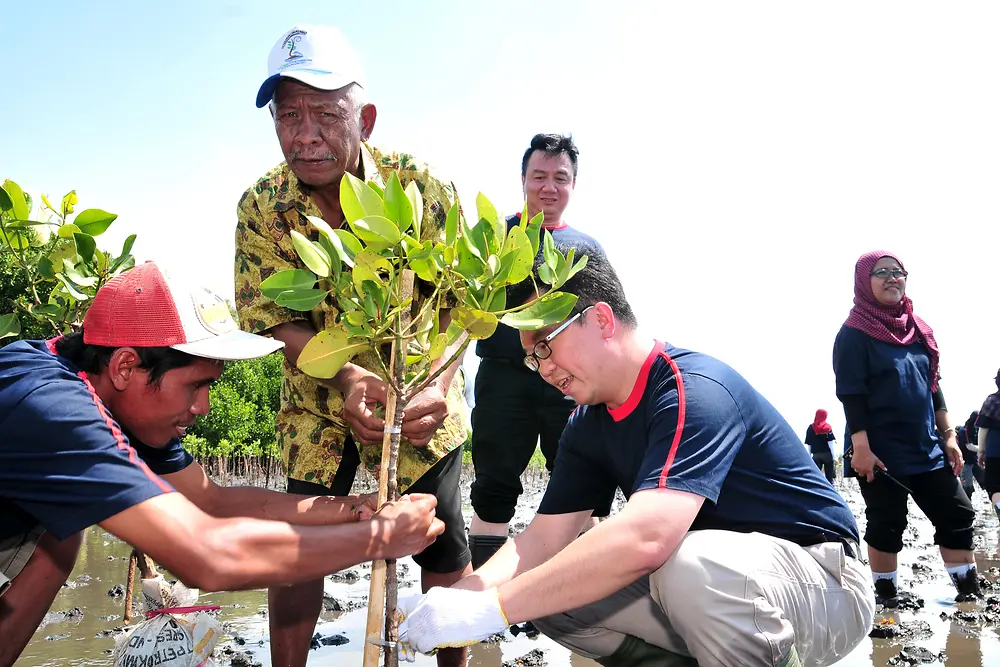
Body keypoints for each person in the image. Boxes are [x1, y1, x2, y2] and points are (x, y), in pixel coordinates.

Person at [397, 249, 874, 667]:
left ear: (601, 319)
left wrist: (493, 611)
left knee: (685, 565)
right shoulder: (587, 422)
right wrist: (459, 598)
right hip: (717, 588)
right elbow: (540, 541)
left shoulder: (694, 390)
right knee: (550, 592)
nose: (543, 370)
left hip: (825, 583)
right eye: (531, 359)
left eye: (544, 346)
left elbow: (648, 537)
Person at [0, 263, 444, 667]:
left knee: (58, 538)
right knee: (60, 539)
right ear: (125, 366)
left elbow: (213, 501)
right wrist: (380, 537)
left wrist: (354, 508)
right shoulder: (52, 408)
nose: (205, 407)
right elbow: (207, 556)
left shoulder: (104, 390)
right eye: (196, 385)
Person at [235, 24, 470, 667]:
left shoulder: (418, 187)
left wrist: (439, 387)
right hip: (316, 398)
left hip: (419, 387)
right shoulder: (262, 205)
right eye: (287, 115)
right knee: (296, 550)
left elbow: (460, 306)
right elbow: (264, 314)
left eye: (322, 114)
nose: (302, 134)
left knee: (443, 544)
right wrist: (343, 377)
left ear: (363, 117)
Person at [468, 133, 604, 568]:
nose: (549, 187)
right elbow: (462, 308)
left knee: (586, 489)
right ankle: (484, 606)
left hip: (569, 383)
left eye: (559, 178)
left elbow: (608, 325)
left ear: (573, 185)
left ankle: (583, 602)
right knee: (492, 489)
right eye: (539, 176)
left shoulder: (586, 249)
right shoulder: (495, 236)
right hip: (504, 379)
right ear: (523, 180)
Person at [832, 250, 978, 604]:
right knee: (887, 522)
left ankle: (968, 591)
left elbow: (933, 387)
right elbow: (852, 395)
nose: (892, 278)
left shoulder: (918, 330)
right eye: (882, 272)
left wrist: (949, 438)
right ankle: (886, 595)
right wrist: (861, 449)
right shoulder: (853, 334)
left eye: (898, 272)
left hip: (925, 446)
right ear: (865, 282)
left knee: (957, 513)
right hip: (879, 452)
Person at [976, 374, 1000, 523]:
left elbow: (983, 428)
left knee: (995, 487)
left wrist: (981, 451)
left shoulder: (993, 400)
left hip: (995, 449)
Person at [804, 409, 837, 483]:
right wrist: (834, 457)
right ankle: (830, 491)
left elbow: (809, 444)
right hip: (827, 455)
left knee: (816, 478)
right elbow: (831, 443)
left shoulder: (810, 428)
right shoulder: (827, 427)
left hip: (816, 455)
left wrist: (809, 457)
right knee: (829, 478)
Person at [957, 411, 983, 500]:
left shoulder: (976, 429)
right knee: (967, 487)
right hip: (966, 462)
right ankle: (968, 506)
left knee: (985, 482)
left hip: (974, 460)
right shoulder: (965, 430)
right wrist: (984, 449)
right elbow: (969, 446)